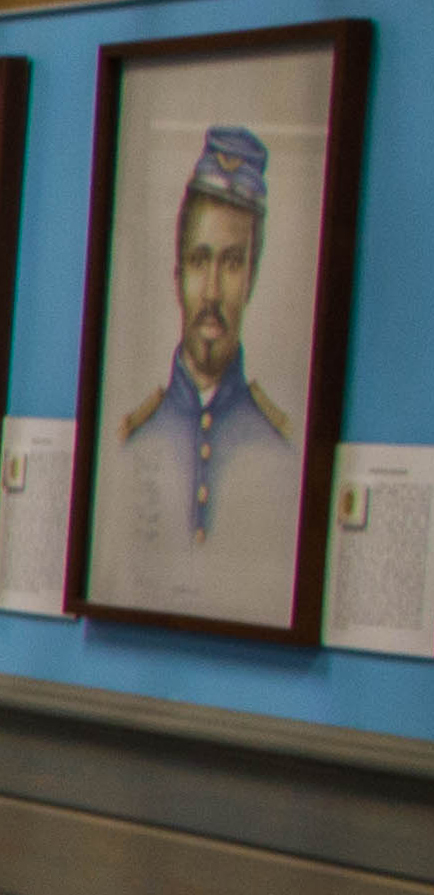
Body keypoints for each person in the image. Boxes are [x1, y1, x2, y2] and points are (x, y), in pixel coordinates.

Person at [103, 125, 303, 618]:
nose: (212, 291)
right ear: (177, 276)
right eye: (199, 260)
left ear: (252, 278)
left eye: (232, 264)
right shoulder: (131, 440)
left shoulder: (280, 447)